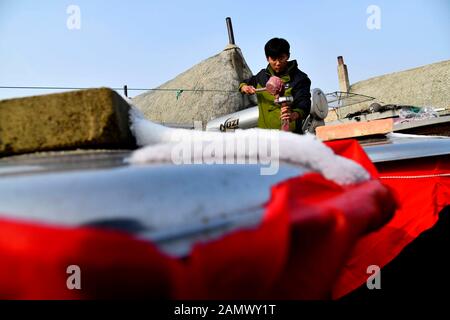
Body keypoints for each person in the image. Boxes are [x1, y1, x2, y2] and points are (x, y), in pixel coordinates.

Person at [239, 38, 311, 133]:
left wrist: (293, 115)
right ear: (267, 58)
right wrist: (245, 87)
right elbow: (243, 84)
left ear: (288, 56)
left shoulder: (299, 78)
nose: (278, 63)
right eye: (273, 59)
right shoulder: (261, 77)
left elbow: (304, 104)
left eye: (281, 58)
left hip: (291, 137)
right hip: (265, 137)